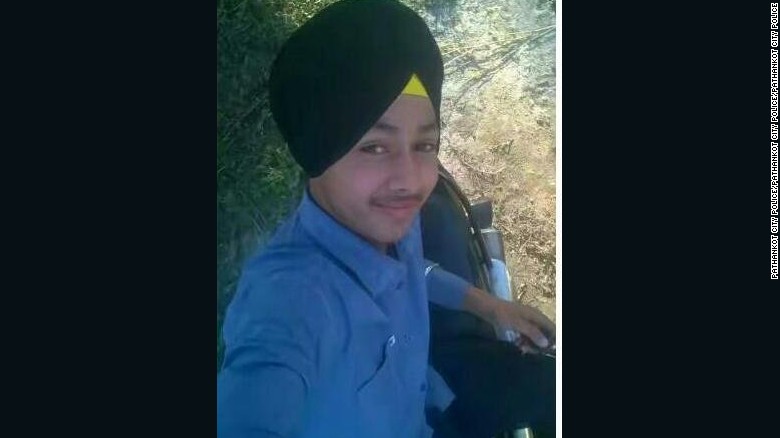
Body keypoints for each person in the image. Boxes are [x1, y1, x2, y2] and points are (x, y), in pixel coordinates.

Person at [216, 1, 555, 437]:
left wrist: (491, 306)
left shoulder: (389, 222)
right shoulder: (289, 300)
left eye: (425, 145)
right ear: (317, 153)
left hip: (428, 403)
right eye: (374, 147)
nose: (411, 182)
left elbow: (414, 271)